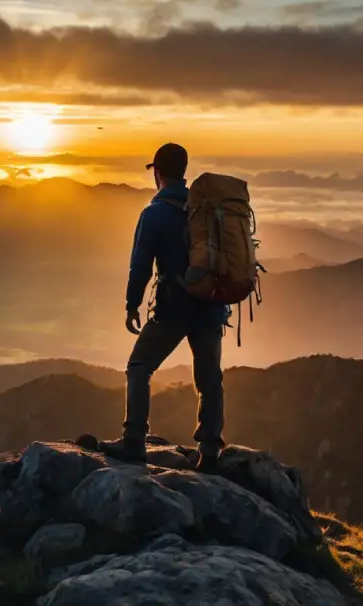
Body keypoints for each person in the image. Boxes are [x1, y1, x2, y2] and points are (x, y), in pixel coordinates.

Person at [99, 143, 230, 469]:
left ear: (157, 172)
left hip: (174, 308)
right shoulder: (206, 210)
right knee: (209, 379)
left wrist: (132, 305)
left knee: (139, 367)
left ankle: (133, 441)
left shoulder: (154, 214)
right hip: (212, 306)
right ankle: (210, 451)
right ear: (183, 172)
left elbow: (140, 265)